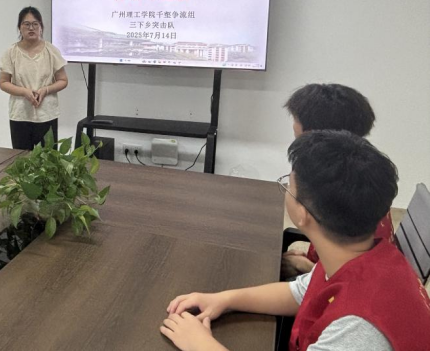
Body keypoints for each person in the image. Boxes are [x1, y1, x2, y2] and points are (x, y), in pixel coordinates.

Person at [162, 131, 430, 351]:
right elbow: (299, 293)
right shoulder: (358, 253)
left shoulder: (357, 330)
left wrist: (200, 344)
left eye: (288, 185)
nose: (286, 191)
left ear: (303, 214)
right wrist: (224, 299)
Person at [282, 83, 393, 278]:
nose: (293, 126)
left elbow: (354, 277)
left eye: (296, 120)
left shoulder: (339, 190)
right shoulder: (363, 173)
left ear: (313, 134)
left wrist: (306, 267)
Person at [0, 6, 68, 149]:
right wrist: (24, 92)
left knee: (48, 158)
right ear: (19, 27)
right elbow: (3, 82)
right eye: (26, 24)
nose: (31, 28)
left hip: (47, 114)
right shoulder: (11, 52)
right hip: (20, 114)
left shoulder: (51, 51)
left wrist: (45, 90)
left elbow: (63, 80)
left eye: (35, 24)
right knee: (21, 157)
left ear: (41, 27)